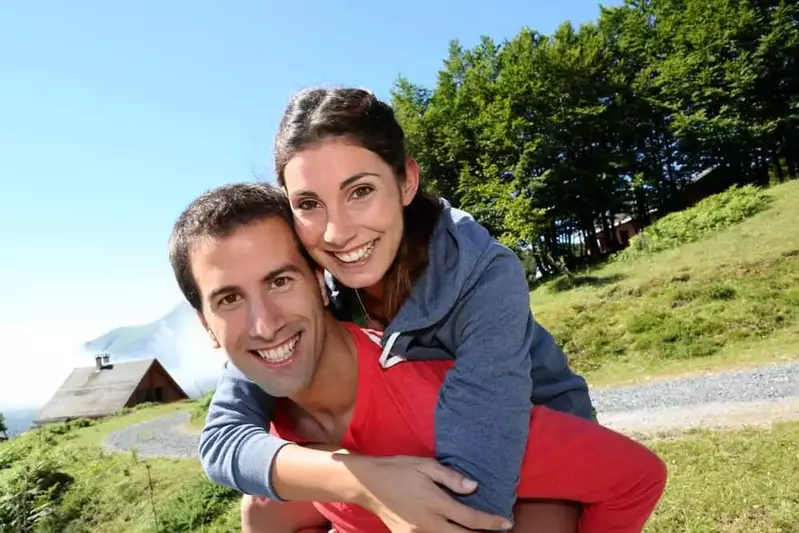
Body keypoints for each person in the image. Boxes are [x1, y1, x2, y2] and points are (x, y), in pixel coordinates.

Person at [168, 182, 667, 533]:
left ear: (321, 281)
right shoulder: (265, 403)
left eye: (281, 281)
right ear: (205, 324)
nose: (263, 323)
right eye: (228, 299)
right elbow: (225, 448)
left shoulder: (445, 410)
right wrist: (365, 483)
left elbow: (635, 477)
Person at [200, 87, 598, 527]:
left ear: (406, 181)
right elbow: (222, 441)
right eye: (309, 204)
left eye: (360, 192)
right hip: (401, 450)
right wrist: (359, 479)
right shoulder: (297, 280)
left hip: (528, 445)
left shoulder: (482, 274)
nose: (337, 233)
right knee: (260, 510)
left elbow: (477, 490)